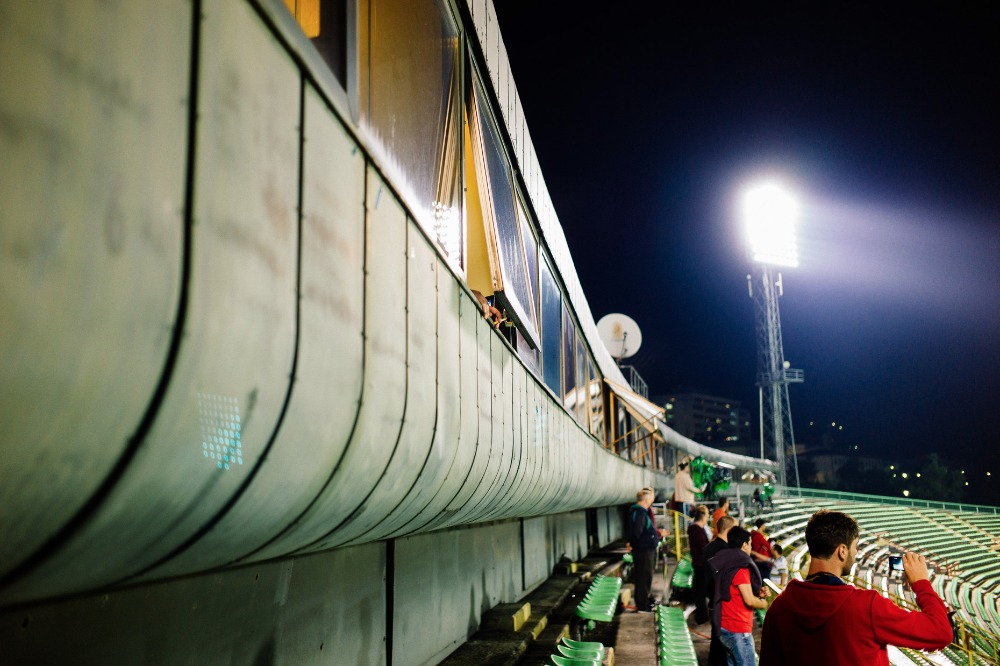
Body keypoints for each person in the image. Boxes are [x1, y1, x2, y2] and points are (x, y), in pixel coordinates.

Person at [760, 510, 952, 665]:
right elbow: (940, 632)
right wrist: (921, 583)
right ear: (842, 551)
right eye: (855, 546)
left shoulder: (779, 607)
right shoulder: (867, 606)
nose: (856, 552)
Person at [709, 527, 770, 666]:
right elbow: (749, 600)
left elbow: (735, 591)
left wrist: (758, 593)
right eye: (750, 544)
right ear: (744, 545)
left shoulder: (727, 563)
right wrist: (763, 603)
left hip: (725, 626)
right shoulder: (741, 568)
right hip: (738, 629)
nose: (751, 548)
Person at [703, 515, 738, 666]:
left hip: (712, 599)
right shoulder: (725, 551)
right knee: (721, 643)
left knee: (716, 641)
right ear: (729, 529)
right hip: (722, 602)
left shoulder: (709, 547)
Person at [629, 488, 665, 612]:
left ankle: (643, 602)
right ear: (645, 499)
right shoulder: (639, 513)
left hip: (644, 550)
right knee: (643, 578)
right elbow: (637, 533)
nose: (651, 501)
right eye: (650, 498)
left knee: (644, 577)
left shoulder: (641, 512)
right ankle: (642, 605)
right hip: (643, 551)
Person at [687, 505, 711, 624]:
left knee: (701, 591)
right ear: (703, 517)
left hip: (699, 563)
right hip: (701, 564)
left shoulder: (695, 529)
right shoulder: (697, 530)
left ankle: (703, 615)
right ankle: (702, 616)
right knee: (701, 592)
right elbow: (704, 548)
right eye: (707, 515)